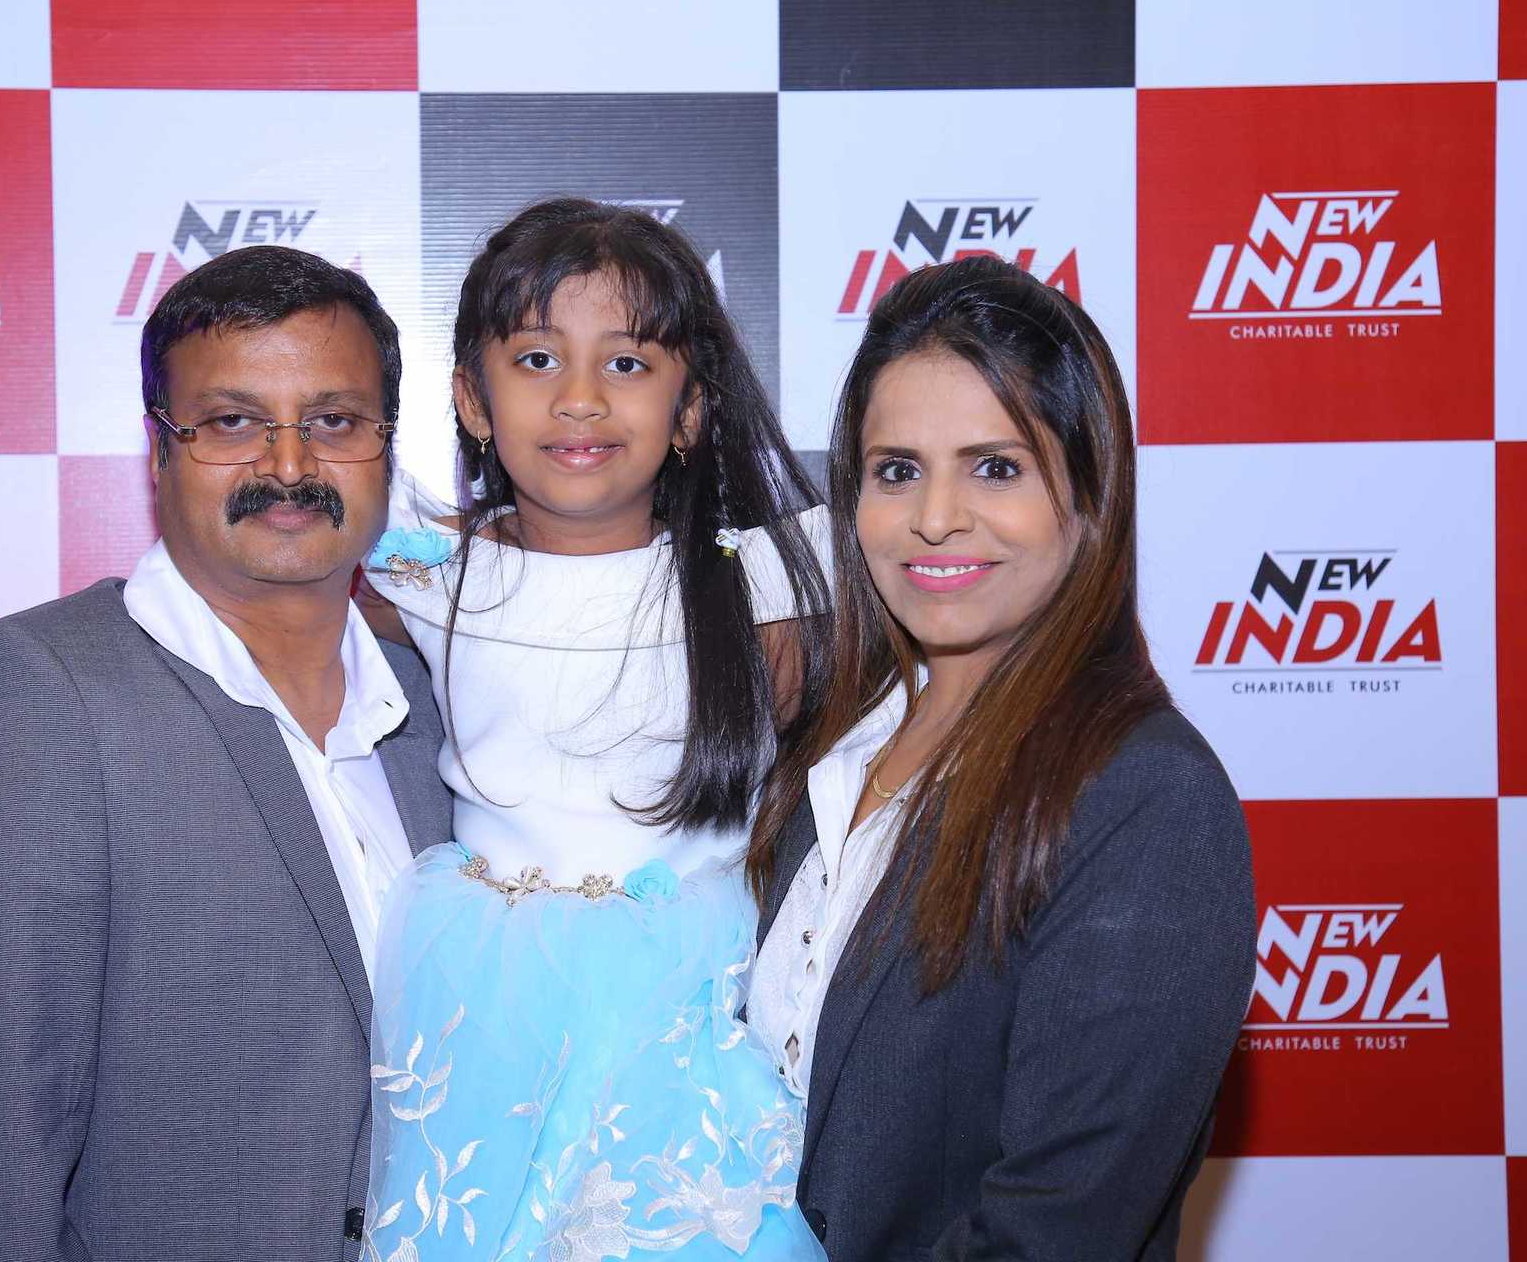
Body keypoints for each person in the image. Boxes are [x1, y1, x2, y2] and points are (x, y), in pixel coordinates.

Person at [0, 246, 452, 1261]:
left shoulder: (437, 704)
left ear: (386, 446)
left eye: (333, 421)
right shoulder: (44, 689)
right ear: (158, 451)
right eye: (232, 422)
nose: (289, 466)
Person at [745, 256, 1255, 1260]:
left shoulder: (1146, 797)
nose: (936, 515)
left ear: (1089, 498)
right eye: (897, 469)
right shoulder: (829, 751)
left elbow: (1054, 1229)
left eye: (996, 465)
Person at [353, 198, 830, 1260]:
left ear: (691, 407)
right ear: (471, 401)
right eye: (534, 360)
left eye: (626, 364)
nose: (578, 399)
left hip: (687, 1010)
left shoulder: (759, 593)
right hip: (485, 1006)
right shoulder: (427, 575)